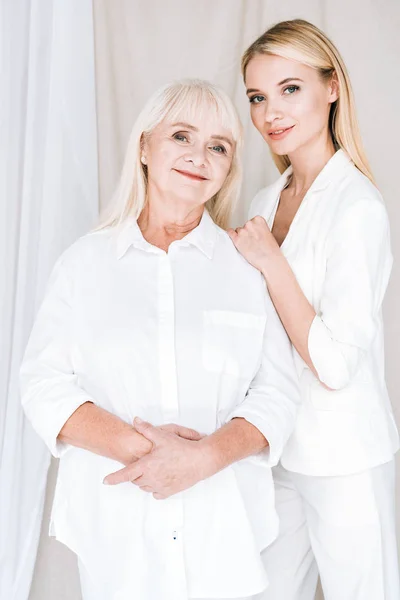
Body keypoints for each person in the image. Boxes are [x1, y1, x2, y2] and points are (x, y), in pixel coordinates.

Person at [20, 79, 300, 600]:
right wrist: (142, 451)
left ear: (228, 170)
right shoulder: (85, 264)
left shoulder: (245, 269)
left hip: (223, 533)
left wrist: (205, 458)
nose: (200, 156)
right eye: (182, 136)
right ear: (145, 147)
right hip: (116, 534)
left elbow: (278, 394)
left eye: (218, 147)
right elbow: (42, 384)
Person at [228, 19, 400, 600]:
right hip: (277, 450)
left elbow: (335, 364)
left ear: (331, 88)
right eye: (257, 96)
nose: (270, 111)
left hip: (346, 457)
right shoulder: (264, 200)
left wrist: (270, 262)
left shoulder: (357, 208)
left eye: (289, 88)